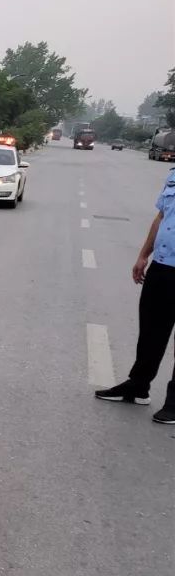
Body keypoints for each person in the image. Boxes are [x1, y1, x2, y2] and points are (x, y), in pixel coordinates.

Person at [94, 169, 175, 424]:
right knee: (151, 332)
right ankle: (138, 386)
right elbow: (162, 216)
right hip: (162, 267)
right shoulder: (173, 175)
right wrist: (143, 255)